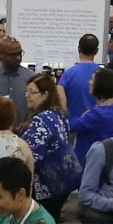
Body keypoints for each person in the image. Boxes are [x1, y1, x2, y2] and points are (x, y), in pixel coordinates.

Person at [21, 70, 78, 216]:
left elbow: (32, 157)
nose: (27, 95)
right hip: (60, 184)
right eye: (26, 91)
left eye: (32, 92)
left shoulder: (41, 120)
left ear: (45, 94)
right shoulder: (59, 114)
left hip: (44, 188)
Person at [68, 67, 113, 163]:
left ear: (101, 85)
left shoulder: (99, 115)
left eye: (92, 79)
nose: (89, 82)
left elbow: (71, 126)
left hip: (87, 162)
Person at [60, 33, 102, 119]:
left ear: (79, 48)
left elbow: (61, 99)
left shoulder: (68, 74)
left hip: (73, 125)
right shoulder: (103, 74)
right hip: (96, 123)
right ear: (96, 51)